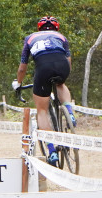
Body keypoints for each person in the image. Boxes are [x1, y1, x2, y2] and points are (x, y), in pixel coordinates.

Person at [11, 16, 77, 167]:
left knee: (42, 110)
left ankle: (52, 151)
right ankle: (69, 112)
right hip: (62, 65)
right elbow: (68, 61)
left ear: (39, 28)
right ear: (56, 28)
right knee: (61, 84)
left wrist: (18, 83)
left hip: (43, 68)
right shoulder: (61, 37)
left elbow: (22, 67)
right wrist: (63, 74)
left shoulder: (30, 38)